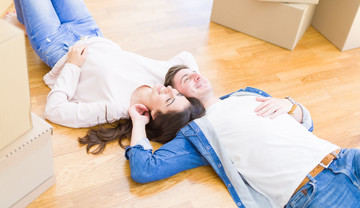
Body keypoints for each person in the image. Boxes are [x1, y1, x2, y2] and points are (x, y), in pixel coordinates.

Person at [8, 0, 204, 153]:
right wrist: (198, 97)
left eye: (169, 99)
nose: (170, 89)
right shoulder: (158, 80)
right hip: (87, 28)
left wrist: (72, 66)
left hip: (55, 43)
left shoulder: (115, 108)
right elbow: (186, 57)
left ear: (153, 115)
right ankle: (26, 23)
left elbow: (54, 111)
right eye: (178, 94)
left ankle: (29, 25)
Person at [125, 64, 360, 208]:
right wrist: (138, 122)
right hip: (313, 188)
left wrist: (290, 105)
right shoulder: (197, 134)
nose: (196, 76)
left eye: (194, 72)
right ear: (184, 99)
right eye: (186, 80)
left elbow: (305, 124)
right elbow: (145, 169)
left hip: (344, 157)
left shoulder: (246, 94)